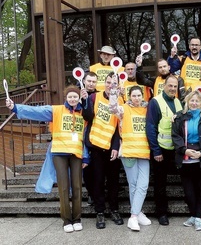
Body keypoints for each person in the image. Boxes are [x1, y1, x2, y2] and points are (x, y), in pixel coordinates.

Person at [6, 86, 89, 233]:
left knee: (76, 187)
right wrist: (15, 107)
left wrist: (86, 157)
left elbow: (86, 136)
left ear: (79, 98)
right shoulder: (56, 110)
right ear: (66, 98)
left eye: (75, 97)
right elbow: (36, 112)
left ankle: (77, 219)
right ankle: (66, 221)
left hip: (76, 154)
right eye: (70, 97)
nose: (72, 99)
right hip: (59, 153)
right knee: (63, 188)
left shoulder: (85, 113)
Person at [81, 72, 124, 229]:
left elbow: (119, 126)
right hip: (97, 146)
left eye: (113, 83)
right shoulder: (94, 97)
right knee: (98, 181)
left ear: (117, 85)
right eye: (108, 82)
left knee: (113, 182)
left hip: (112, 148)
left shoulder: (120, 100)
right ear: (104, 83)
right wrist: (85, 100)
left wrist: (115, 146)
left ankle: (114, 210)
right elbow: (87, 117)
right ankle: (100, 212)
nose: (110, 85)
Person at [109, 85, 152, 231]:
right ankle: (135, 216)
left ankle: (136, 213)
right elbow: (112, 108)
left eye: (139, 95)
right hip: (128, 152)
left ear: (142, 96)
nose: (136, 98)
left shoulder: (147, 110)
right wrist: (114, 91)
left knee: (143, 184)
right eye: (133, 96)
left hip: (144, 152)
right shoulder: (123, 109)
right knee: (133, 185)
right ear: (129, 97)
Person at [172, 90, 201, 231]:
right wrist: (184, 150)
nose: (194, 103)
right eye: (192, 100)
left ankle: (198, 217)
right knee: (188, 191)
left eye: (197, 101)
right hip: (185, 159)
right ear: (187, 102)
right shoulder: (179, 117)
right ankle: (193, 215)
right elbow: (175, 136)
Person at [146, 75, 183, 225]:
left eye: (175, 86)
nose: (173, 88)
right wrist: (156, 150)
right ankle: (161, 212)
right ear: (164, 86)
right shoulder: (155, 102)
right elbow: (150, 127)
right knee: (160, 183)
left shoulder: (178, 102)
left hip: (176, 149)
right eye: (170, 86)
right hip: (161, 148)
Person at [81, 72, 98, 207]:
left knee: (97, 169)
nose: (91, 83)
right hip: (81, 134)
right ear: (84, 81)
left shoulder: (99, 95)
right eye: (89, 81)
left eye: (94, 81)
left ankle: (97, 193)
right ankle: (91, 194)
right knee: (86, 168)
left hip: (96, 135)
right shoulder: (77, 94)